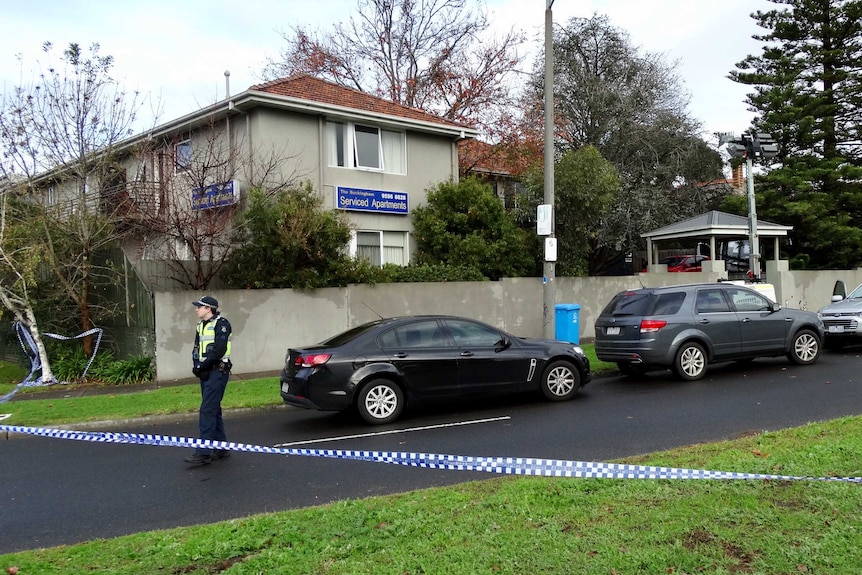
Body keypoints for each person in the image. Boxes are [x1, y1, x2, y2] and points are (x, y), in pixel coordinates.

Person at [184, 295, 233, 465]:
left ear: (209, 308)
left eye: (199, 306)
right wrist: (197, 366)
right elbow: (197, 348)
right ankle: (221, 447)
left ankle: (203, 452)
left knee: (207, 410)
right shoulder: (201, 326)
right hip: (206, 372)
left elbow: (219, 350)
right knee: (213, 409)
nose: (196, 309)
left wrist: (203, 366)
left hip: (218, 372)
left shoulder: (222, 324)